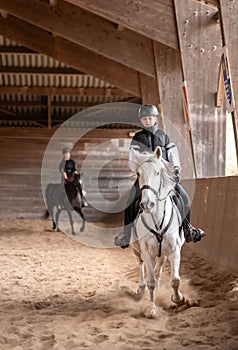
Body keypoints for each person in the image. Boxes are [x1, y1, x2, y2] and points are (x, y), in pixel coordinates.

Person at [114, 104, 205, 248]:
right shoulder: (138, 137)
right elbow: (132, 159)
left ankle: (188, 228)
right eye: (144, 119)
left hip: (163, 177)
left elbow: (172, 155)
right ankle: (126, 234)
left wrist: (175, 170)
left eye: (150, 118)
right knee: (130, 202)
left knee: (184, 197)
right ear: (141, 120)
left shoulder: (164, 135)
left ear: (156, 118)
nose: (147, 121)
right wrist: (138, 170)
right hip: (145, 178)